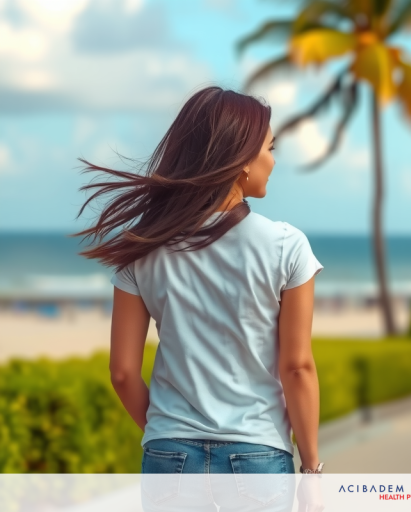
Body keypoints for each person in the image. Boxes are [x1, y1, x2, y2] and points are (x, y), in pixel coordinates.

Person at [73, 86, 325, 476]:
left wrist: (166, 434)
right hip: (258, 454)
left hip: (169, 454)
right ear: (242, 160)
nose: (273, 161)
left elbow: (123, 373)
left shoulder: (143, 247)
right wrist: (312, 466)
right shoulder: (287, 247)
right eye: (270, 149)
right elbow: (297, 367)